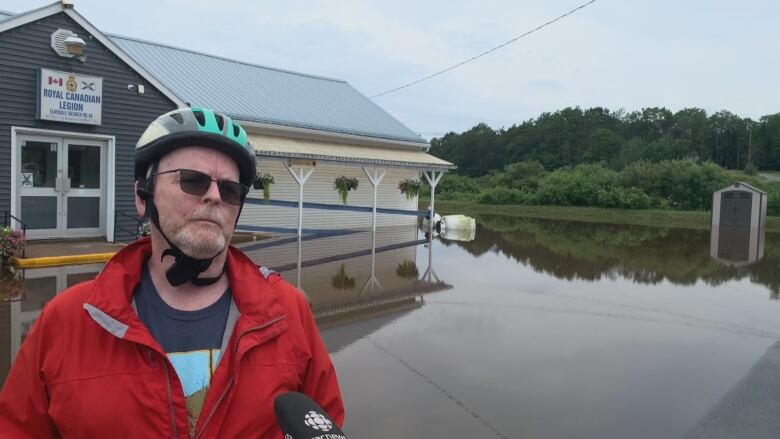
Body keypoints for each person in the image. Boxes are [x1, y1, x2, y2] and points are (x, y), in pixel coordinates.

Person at [0, 108, 344, 438]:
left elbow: (326, 421)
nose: (213, 197)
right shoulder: (66, 320)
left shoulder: (288, 311)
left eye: (229, 189)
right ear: (141, 195)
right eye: (193, 181)